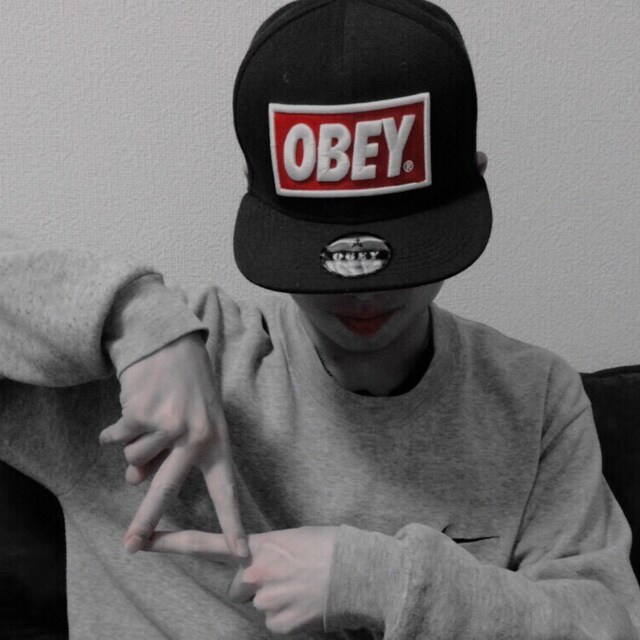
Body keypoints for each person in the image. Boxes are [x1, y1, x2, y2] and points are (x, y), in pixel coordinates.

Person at [1, 0, 639, 638]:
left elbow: (610, 621)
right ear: (256, 190)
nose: (362, 294)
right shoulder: (145, 376)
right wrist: (131, 315)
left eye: (402, 247)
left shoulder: (534, 399)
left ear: (475, 181)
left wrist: (387, 582)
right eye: (324, 253)